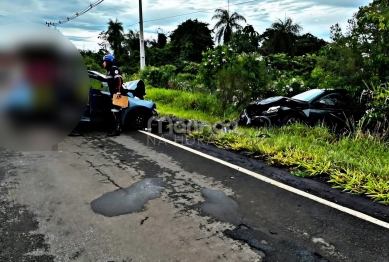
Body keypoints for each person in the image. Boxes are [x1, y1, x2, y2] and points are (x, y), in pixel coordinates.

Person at [103, 54, 124, 137]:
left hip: (118, 94)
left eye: (104, 62)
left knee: (116, 112)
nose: (103, 63)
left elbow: (119, 80)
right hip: (113, 94)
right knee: (114, 111)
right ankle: (115, 128)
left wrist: (118, 91)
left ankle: (117, 130)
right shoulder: (109, 71)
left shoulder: (114, 69)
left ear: (108, 62)